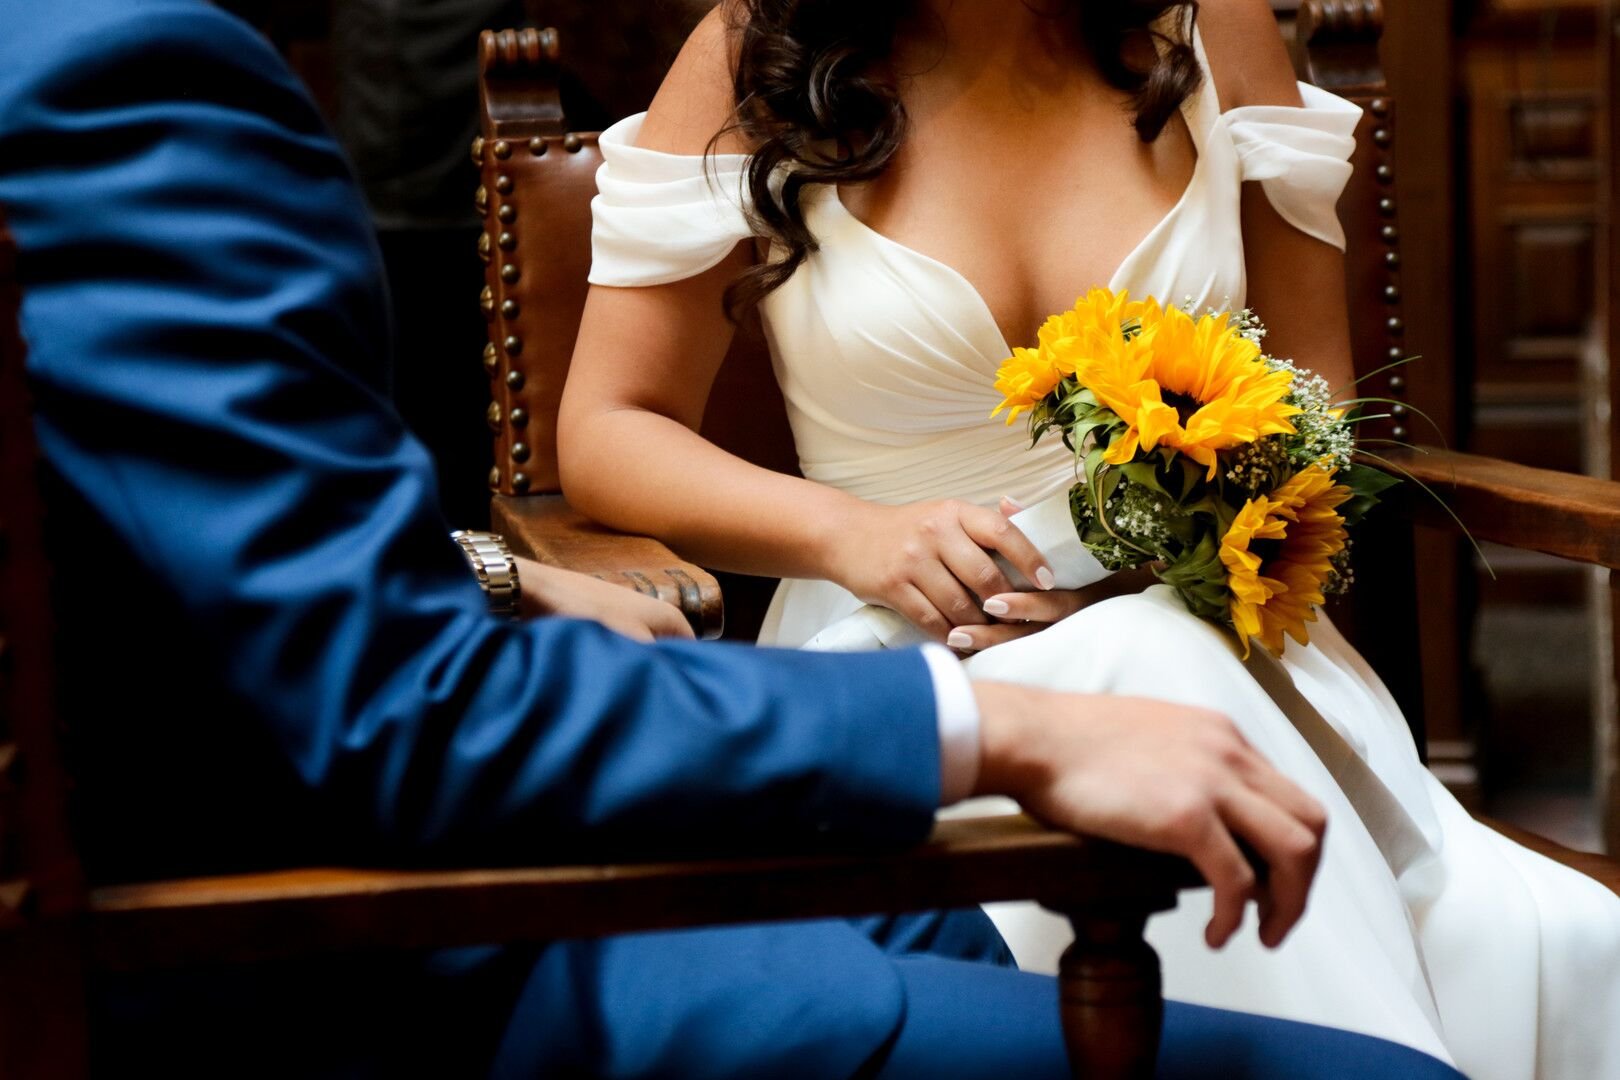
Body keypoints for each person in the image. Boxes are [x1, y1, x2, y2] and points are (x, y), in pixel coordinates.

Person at [0, 0, 1472, 1076]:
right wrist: (863, 554)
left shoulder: (1212, 30)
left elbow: (135, 555)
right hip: (856, 663)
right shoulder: (124, 87)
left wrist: (1197, 528)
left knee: (1187, 699)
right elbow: (433, 647)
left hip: (1210, 613)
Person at [555, 2, 1620, 1079]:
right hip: (902, 660)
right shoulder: (755, 52)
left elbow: (1316, 412)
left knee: (1569, 938)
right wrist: (849, 535)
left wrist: (1155, 561)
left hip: (1212, 634)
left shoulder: (1217, 30)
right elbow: (609, 428)